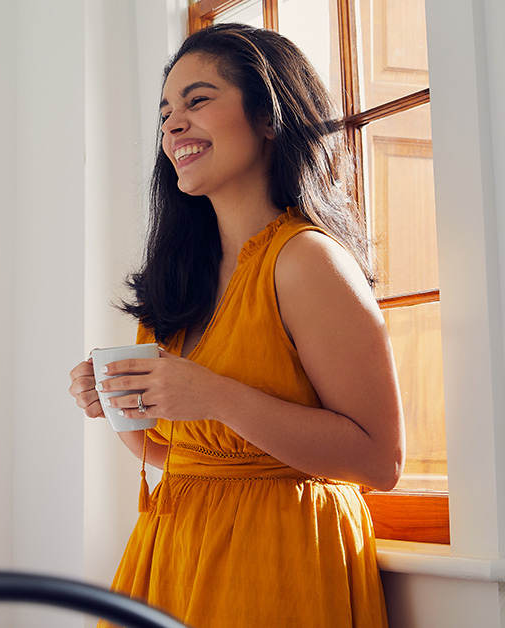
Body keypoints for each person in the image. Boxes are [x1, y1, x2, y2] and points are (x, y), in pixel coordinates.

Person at [68, 23, 404, 628]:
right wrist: (119, 403)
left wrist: (213, 395)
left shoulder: (306, 261)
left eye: (198, 100)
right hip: (171, 553)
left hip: (275, 561)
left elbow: (380, 461)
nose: (171, 124)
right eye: (165, 110)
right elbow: (178, 457)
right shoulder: (181, 276)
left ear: (270, 117)